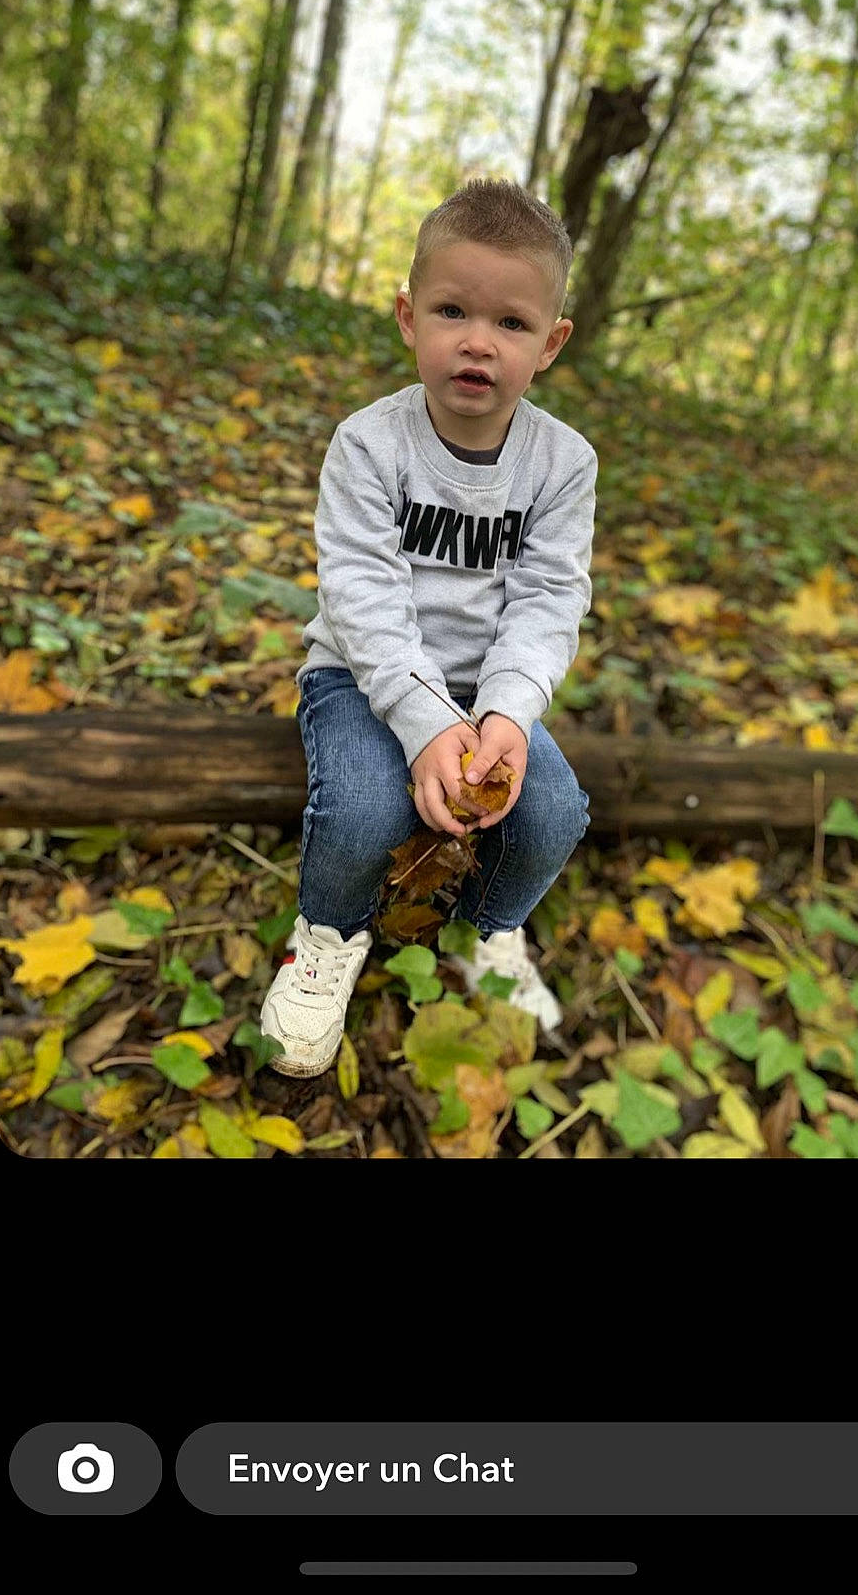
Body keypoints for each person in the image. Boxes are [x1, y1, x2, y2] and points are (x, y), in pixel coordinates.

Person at [261, 177, 597, 1078]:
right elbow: (361, 598)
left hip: (483, 689)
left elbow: (547, 598)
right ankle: (326, 939)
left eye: (512, 323)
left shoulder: (562, 463)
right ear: (409, 318)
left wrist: (505, 715)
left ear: (550, 343)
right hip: (358, 677)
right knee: (366, 807)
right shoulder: (370, 444)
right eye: (452, 310)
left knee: (556, 810)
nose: (478, 341)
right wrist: (422, 727)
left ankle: (486, 929)